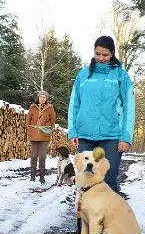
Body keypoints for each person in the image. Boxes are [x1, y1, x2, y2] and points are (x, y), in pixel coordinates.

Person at [68, 35, 134, 192]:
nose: (101, 58)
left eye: (105, 55)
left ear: (112, 54)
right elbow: (74, 105)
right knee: (85, 180)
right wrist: (72, 131)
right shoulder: (82, 75)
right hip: (85, 135)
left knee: (109, 180)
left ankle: (108, 216)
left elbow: (129, 107)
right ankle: (85, 216)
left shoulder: (121, 75)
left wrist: (126, 136)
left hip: (111, 136)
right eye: (97, 54)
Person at [26, 91, 56, 184]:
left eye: (44, 97)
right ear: (38, 98)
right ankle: (32, 176)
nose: (42, 99)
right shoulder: (32, 107)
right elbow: (28, 119)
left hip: (44, 135)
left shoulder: (50, 108)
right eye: (40, 97)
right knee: (34, 155)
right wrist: (31, 128)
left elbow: (53, 120)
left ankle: (42, 176)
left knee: (42, 156)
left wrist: (48, 128)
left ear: (46, 99)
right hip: (34, 135)